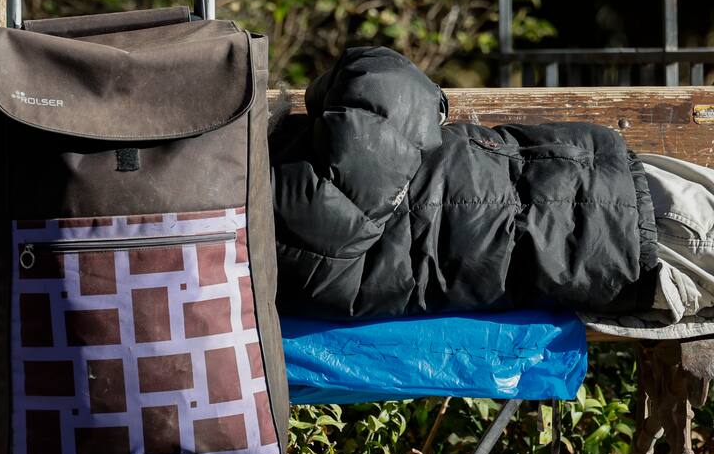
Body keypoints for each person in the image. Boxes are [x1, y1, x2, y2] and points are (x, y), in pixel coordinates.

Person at [269, 44, 714, 332]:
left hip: (607, 252)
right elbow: (385, 79)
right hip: (613, 217)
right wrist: (324, 100)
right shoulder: (300, 199)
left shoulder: (271, 248)